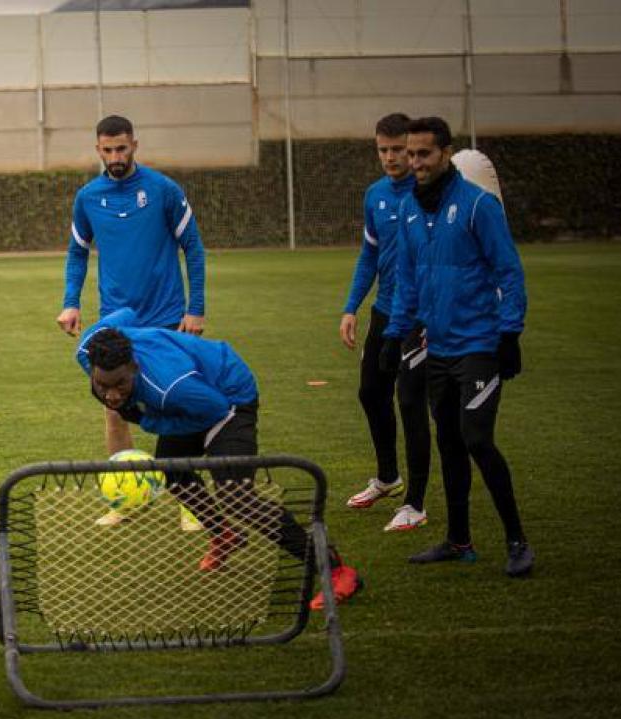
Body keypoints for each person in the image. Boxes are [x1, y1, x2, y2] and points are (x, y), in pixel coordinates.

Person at [77, 309, 362, 609]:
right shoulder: (89, 348)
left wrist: (150, 422)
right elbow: (126, 314)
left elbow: (215, 410)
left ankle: (337, 570)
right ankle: (225, 534)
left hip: (228, 396)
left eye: (120, 384)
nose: (110, 395)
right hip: (195, 388)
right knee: (172, 471)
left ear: (134, 366)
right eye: (102, 385)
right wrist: (160, 339)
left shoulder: (170, 388)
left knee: (237, 497)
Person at [381, 116, 533, 578]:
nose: (415, 162)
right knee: (449, 444)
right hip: (438, 348)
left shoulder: (476, 206)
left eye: (424, 153)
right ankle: (458, 540)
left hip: (479, 346)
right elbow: (407, 280)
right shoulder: (409, 210)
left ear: (446, 154)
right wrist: (394, 334)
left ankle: (516, 541)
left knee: (477, 440)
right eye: (410, 153)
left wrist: (509, 335)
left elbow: (509, 271)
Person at [57, 115, 207, 460]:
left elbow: (194, 249)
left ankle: (189, 507)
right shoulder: (88, 197)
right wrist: (71, 302)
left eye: (121, 149)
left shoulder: (163, 190)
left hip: (168, 317)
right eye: (107, 150)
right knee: (112, 409)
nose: (115, 158)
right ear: (98, 149)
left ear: (134, 146)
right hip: (116, 322)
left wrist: (195, 308)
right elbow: (77, 252)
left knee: (177, 404)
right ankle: (125, 501)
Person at [339, 113, 432, 532]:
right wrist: (351, 306)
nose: (391, 158)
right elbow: (369, 255)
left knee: (411, 403)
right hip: (384, 312)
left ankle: (416, 502)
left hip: (419, 319)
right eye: (383, 150)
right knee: (369, 392)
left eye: (398, 149)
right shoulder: (375, 194)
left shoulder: (428, 193)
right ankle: (389, 478)